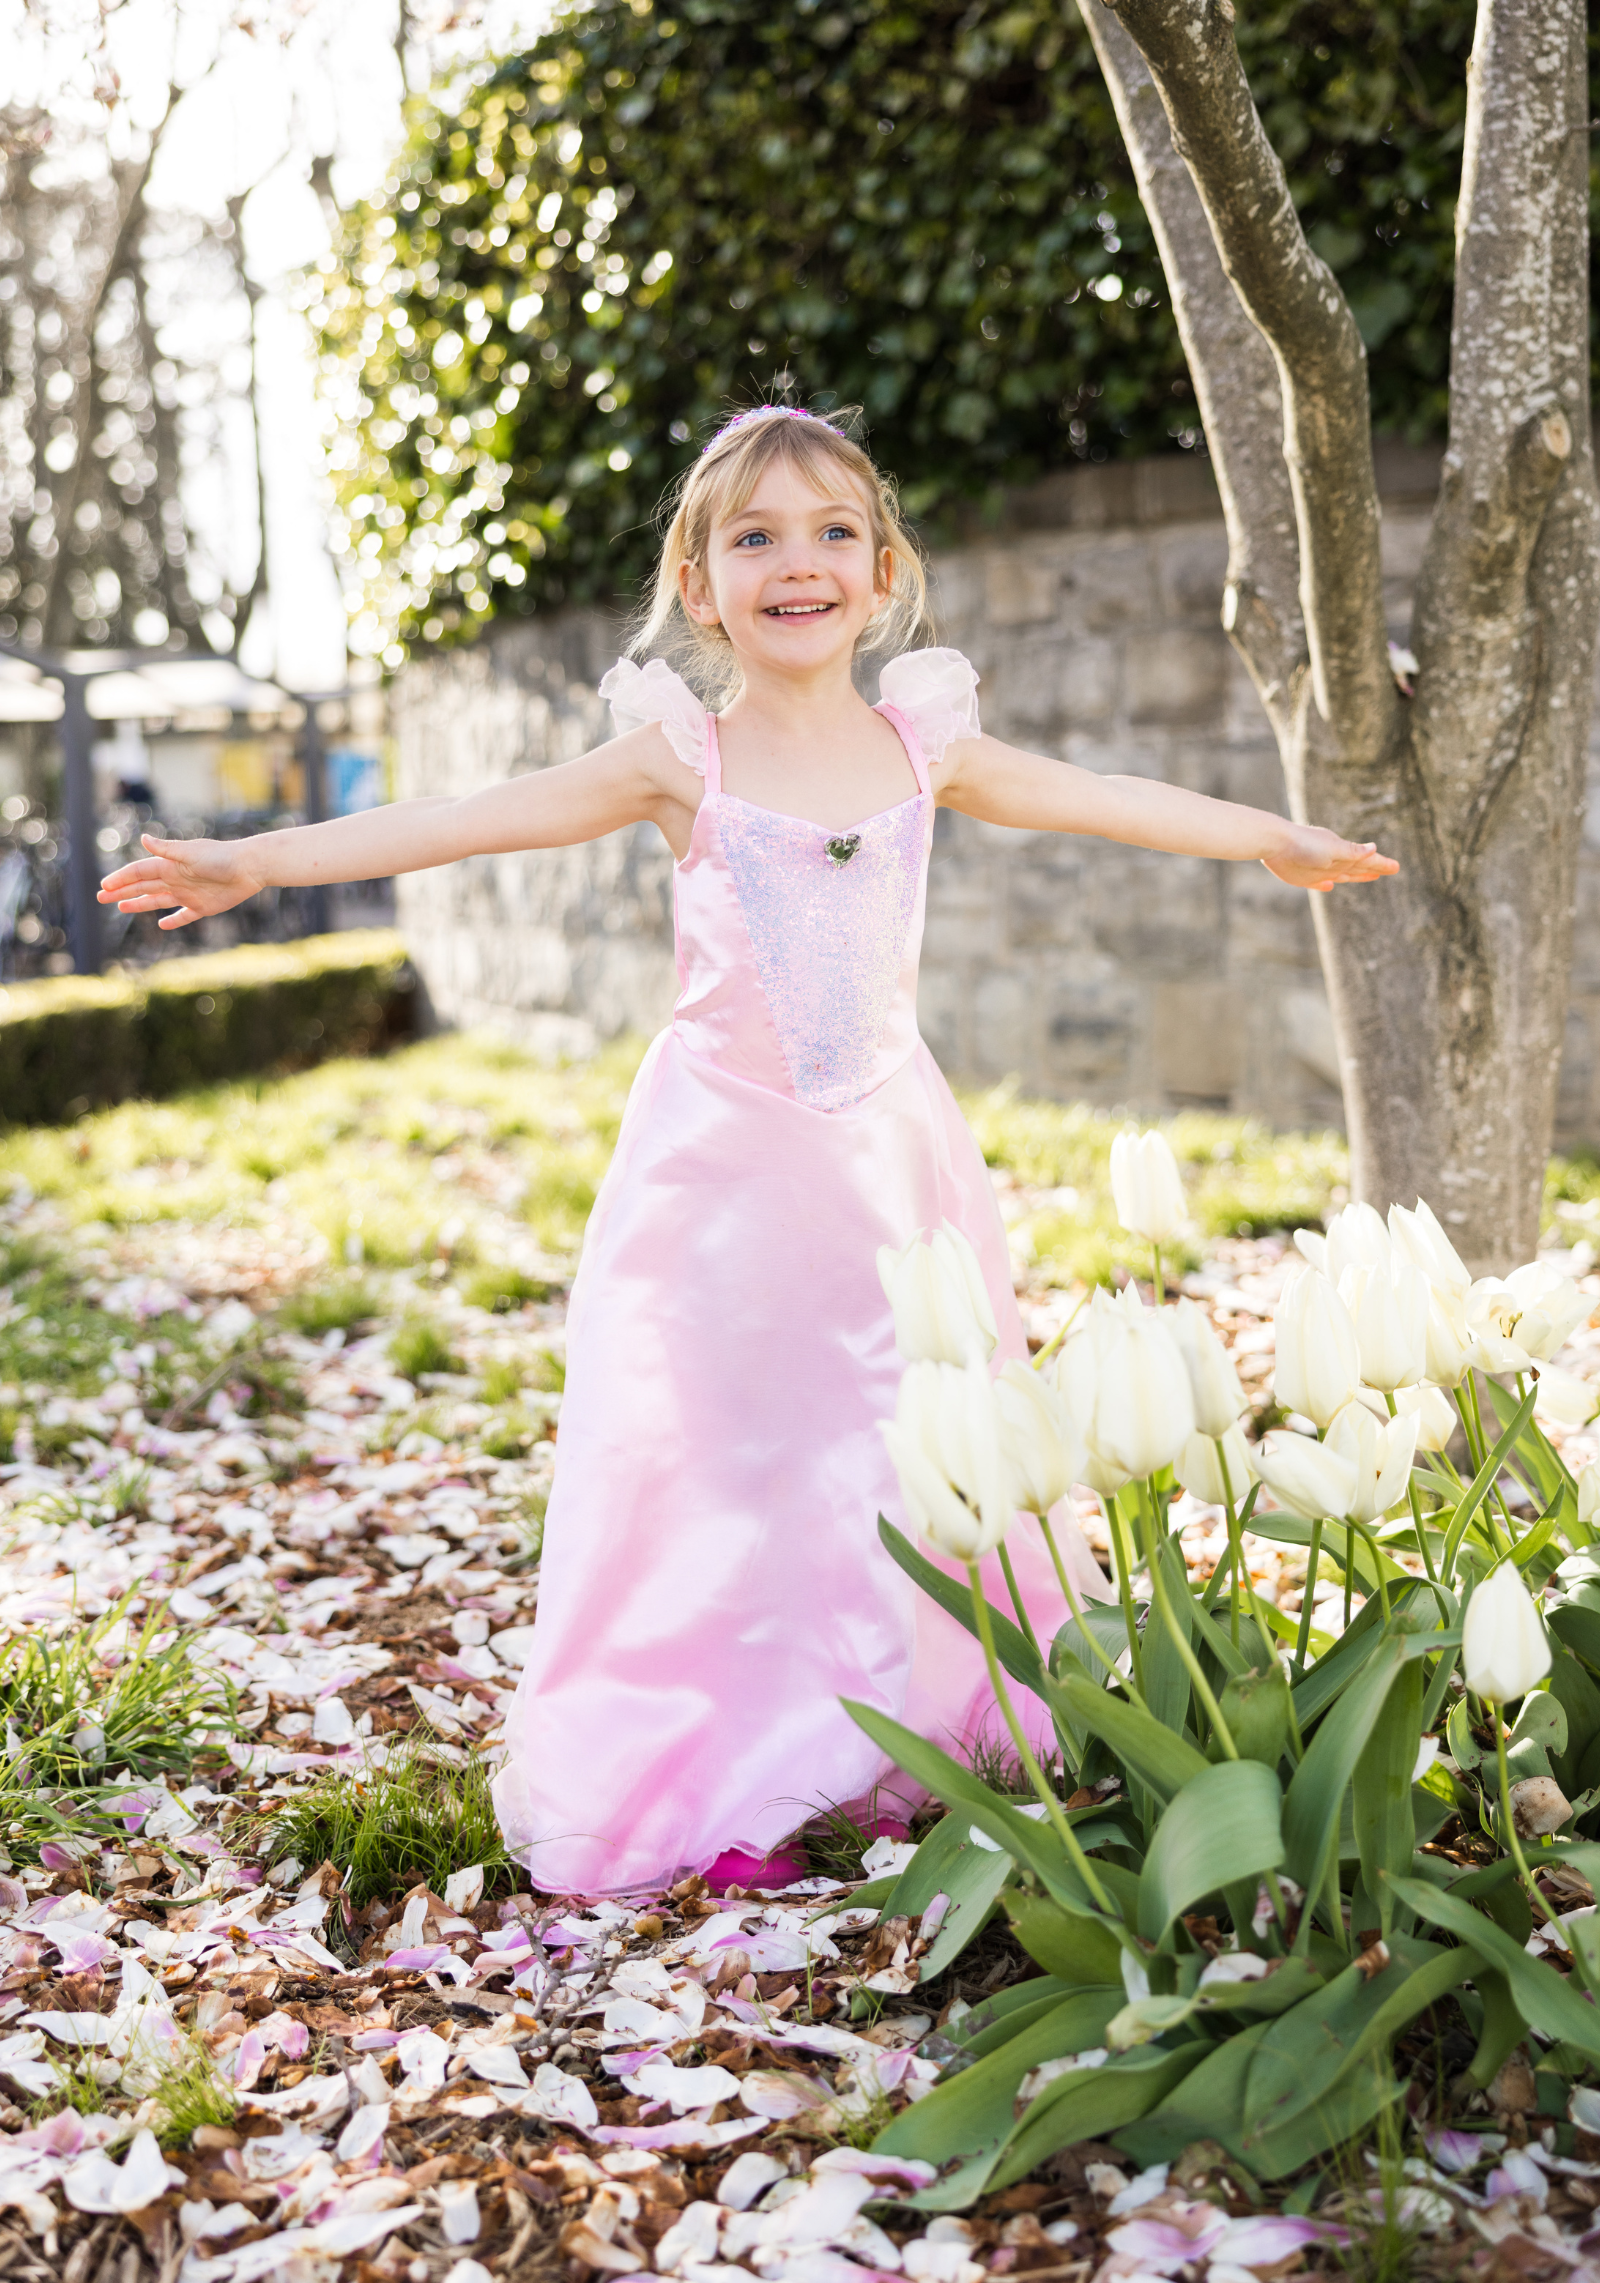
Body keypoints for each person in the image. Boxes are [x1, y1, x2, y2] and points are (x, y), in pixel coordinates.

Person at [98, 406, 1398, 1897]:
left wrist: (1267, 838)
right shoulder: (681, 757)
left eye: (834, 531)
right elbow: (465, 820)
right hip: (720, 1178)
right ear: (701, 580)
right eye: (757, 537)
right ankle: (732, 1756)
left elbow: (1100, 800)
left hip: (892, 1163)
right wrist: (254, 860)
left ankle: (911, 1733)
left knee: (910, 1443)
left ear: (884, 568)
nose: (801, 562)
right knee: (728, 1455)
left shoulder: (925, 741)